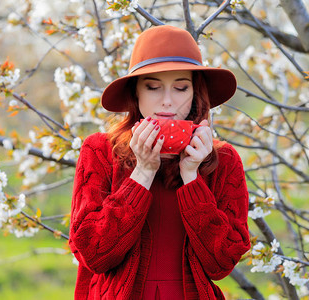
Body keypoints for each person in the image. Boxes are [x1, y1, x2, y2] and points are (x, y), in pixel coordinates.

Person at [69, 25, 250, 300]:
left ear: (194, 93)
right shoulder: (100, 151)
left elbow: (222, 263)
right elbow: (93, 254)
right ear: (136, 93)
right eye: (153, 87)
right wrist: (142, 172)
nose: (167, 101)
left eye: (180, 88)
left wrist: (191, 176)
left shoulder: (222, 160)